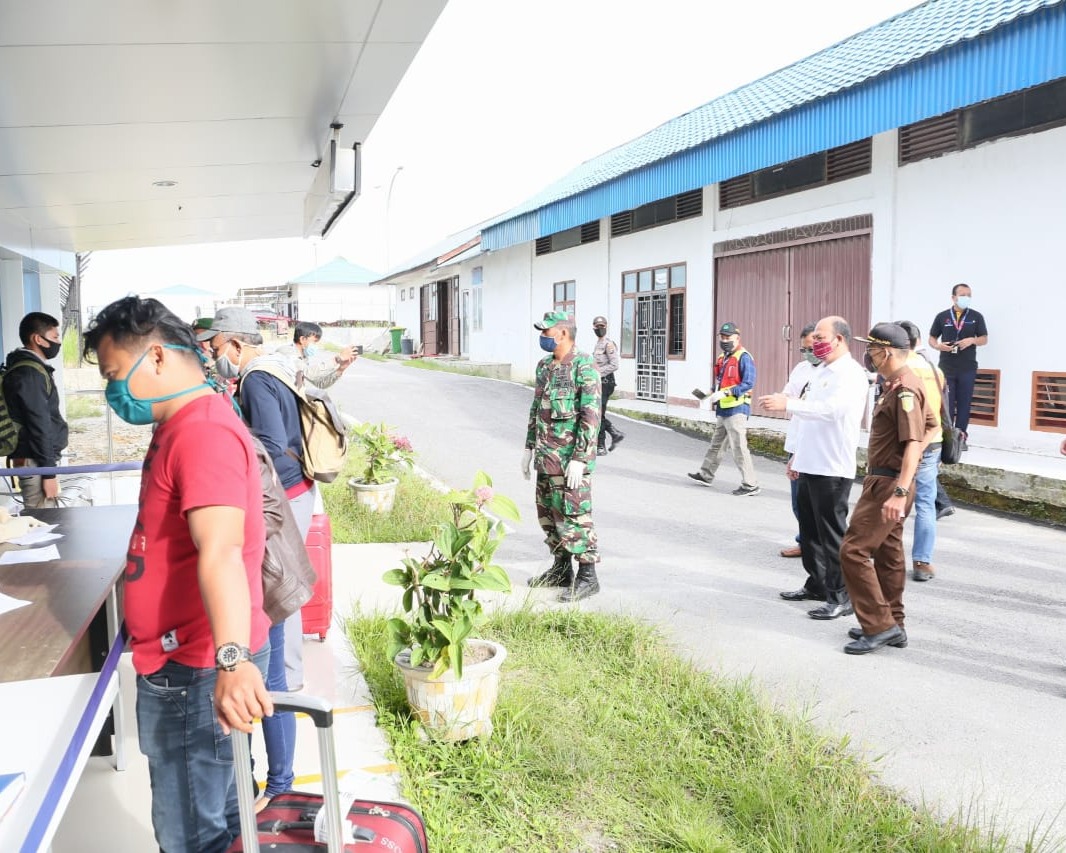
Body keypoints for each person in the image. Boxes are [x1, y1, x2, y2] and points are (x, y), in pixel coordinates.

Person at [82, 296, 272, 851]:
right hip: (194, 658)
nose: (113, 391)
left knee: (192, 833)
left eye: (114, 374)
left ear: (158, 357)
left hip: (198, 664)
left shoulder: (201, 432)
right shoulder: (182, 422)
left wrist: (231, 661)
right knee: (225, 811)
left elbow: (221, 552)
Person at [197, 306, 314, 809]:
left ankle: (280, 783)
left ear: (237, 344)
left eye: (216, 346)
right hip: (284, 499)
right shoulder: (276, 369)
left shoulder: (258, 379)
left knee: (272, 659)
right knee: (273, 659)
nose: (214, 355)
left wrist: (224, 441)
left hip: (275, 506)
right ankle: (274, 781)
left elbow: (268, 444)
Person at [759, 316, 869, 620]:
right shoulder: (820, 371)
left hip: (831, 465)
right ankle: (817, 584)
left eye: (821, 338)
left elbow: (830, 411)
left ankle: (841, 596)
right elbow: (805, 420)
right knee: (809, 532)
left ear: (840, 339)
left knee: (831, 535)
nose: (815, 344)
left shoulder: (849, 374)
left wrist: (789, 404)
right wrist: (796, 455)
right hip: (809, 461)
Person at [839, 323, 938, 654]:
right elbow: (932, 426)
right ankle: (893, 624)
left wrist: (900, 490)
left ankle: (880, 626)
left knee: (853, 551)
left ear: (887, 351)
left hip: (889, 483)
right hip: (889, 479)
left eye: (871, 348)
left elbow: (913, 443)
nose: (867, 354)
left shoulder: (905, 389)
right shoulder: (898, 384)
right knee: (888, 553)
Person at [522, 311, 602, 602]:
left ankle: (588, 576)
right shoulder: (544, 366)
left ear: (564, 333)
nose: (543, 337)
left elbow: (591, 417)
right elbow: (536, 409)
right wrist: (528, 448)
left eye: (547, 332)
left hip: (569, 462)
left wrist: (581, 458)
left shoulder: (584, 366)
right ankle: (561, 570)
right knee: (548, 516)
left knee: (575, 517)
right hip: (545, 458)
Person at [2, 312, 70, 508]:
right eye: (55, 337)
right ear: (38, 339)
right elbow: (39, 424)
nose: (58, 342)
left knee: (46, 519)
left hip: (37, 460)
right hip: (35, 462)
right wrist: (49, 473)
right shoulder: (29, 373)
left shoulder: (28, 368)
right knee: (42, 520)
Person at [898, 320, 946, 582]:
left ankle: (886, 555)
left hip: (905, 442)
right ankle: (922, 562)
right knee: (926, 503)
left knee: (895, 497)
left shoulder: (898, 369)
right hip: (933, 440)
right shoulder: (935, 369)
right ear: (917, 342)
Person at [687, 322, 760, 496]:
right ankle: (705, 475)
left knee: (739, 447)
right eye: (722, 337)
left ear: (737, 338)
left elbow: (748, 383)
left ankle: (750, 484)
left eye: (728, 337)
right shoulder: (723, 357)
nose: (725, 340)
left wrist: (726, 393)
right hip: (723, 408)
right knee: (716, 444)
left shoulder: (744, 357)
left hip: (737, 408)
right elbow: (720, 383)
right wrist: (708, 392)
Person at [928, 283, 988, 451]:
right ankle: (946, 438)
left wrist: (972, 340)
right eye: (962, 295)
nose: (966, 298)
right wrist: (938, 346)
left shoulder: (976, 316)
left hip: (967, 367)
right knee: (946, 404)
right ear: (953, 297)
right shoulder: (942, 317)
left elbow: (984, 339)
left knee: (964, 403)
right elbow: (932, 338)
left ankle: (960, 438)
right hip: (947, 367)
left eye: (969, 295)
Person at [778, 323, 821, 558]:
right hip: (797, 441)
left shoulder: (832, 373)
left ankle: (820, 547)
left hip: (817, 447)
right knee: (799, 502)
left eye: (811, 349)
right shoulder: (801, 369)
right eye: (803, 349)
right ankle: (806, 542)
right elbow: (789, 394)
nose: (808, 354)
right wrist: (782, 399)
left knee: (818, 504)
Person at [277, 320, 356, 390]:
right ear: (303, 339)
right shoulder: (286, 351)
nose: (315, 345)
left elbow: (320, 383)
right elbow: (308, 372)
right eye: (314, 341)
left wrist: (340, 369)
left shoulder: (303, 356)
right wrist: (337, 359)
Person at [591, 315, 624, 455]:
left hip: (606, 382)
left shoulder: (608, 344)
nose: (599, 329)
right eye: (597, 326)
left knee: (599, 413)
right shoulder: (597, 344)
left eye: (602, 326)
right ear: (593, 328)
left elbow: (614, 365)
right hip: (599, 383)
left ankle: (601, 446)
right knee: (597, 413)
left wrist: (598, 373)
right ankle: (614, 433)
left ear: (606, 327)